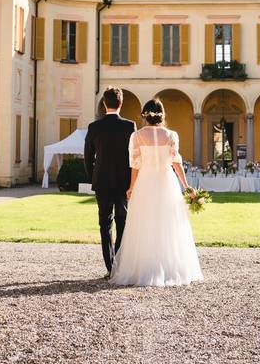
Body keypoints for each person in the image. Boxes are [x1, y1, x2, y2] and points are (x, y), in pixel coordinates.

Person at [110, 98, 203, 287]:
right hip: (166, 181)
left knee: (144, 223)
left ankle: (143, 268)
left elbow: (135, 165)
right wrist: (186, 186)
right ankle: (169, 268)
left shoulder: (136, 136)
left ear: (145, 114)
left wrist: (131, 187)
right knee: (168, 223)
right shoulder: (171, 135)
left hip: (145, 181)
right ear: (162, 114)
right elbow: (176, 162)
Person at [84, 86, 137, 278]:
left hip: (102, 181)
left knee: (104, 224)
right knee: (122, 222)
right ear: (121, 103)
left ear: (104, 103)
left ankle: (110, 266)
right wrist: (133, 181)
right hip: (123, 182)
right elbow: (134, 157)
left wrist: (93, 177)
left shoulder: (94, 127)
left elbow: (88, 157)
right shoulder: (130, 126)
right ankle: (119, 265)